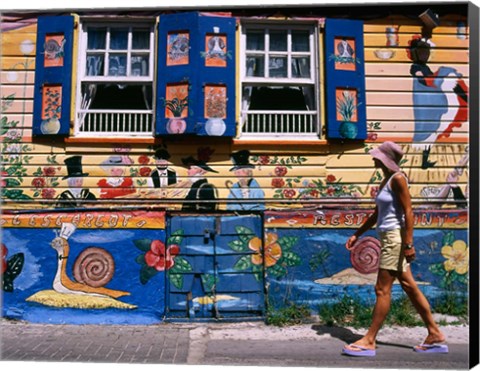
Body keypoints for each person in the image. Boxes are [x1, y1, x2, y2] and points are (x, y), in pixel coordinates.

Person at [342, 141, 447, 357]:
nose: (373, 158)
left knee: (382, 290)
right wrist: (357, 233)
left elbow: (409, 211)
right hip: (389, 238)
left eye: (377, 155)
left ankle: (370, 340)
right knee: (409, 286)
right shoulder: (386, 181)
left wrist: (408, 244)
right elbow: (376, 214)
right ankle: (435, 334)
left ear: (385, 159)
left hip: (395, 239)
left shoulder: (398, 179)